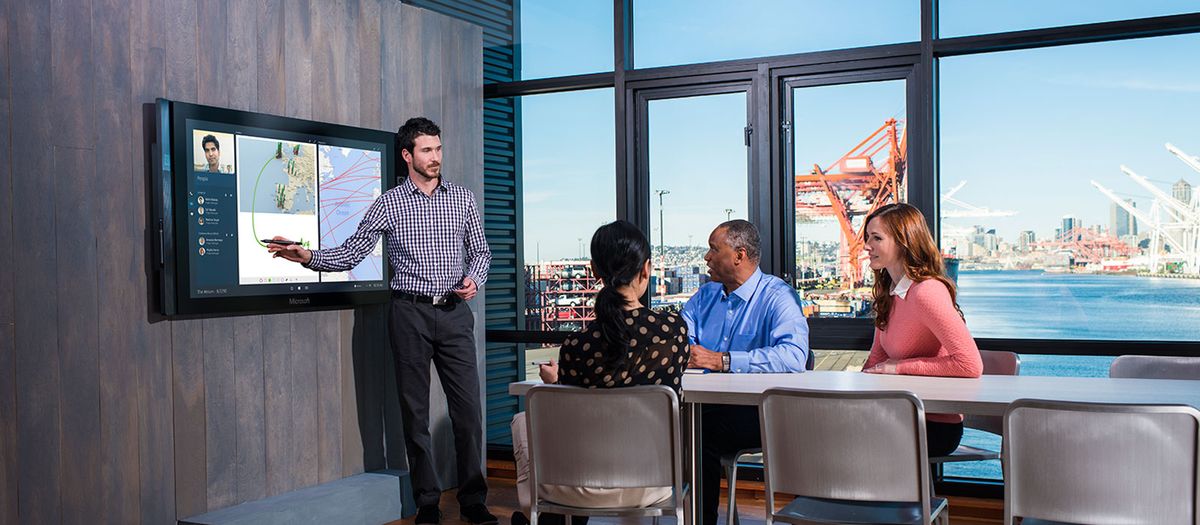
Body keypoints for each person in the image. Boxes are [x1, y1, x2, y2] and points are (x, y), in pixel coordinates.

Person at [269, 117, 495, 525]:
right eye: (427, 150)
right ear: (408, 155)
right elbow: (352, 252)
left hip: (455, 315)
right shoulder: (389, 203)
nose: (436, 157)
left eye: (439, 149)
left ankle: (473, 499)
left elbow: (481, 251)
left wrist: (473, 279)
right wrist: (308, 257)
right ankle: (427, 502)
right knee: (415, 414)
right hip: (408, 313)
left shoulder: (463, 198)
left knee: (469, 413)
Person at [510, 220, 690, 525]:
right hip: (653, 485)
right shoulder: (673, 332)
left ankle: (537, 518)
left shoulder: (577, 345)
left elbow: (578, 410)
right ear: (646, 269)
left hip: (582, 487)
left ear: (594, 271)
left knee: (525, 421)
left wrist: (556, 384)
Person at [680, 219, 809, 525]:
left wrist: (723, 360)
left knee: (699, 434)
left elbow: (794, 357)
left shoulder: (778, 297)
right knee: (677, 424)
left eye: (713, 249)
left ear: (738, 255)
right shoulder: (704, 297)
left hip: (758, 415)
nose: (706, 257)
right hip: (705, 407)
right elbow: (680, 341)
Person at [860, 203, 983, 456]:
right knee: (821, 424)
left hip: (932, 423)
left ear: (904, 242)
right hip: (896, 412)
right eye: (867, 237)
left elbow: (970, 365)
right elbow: (877, 358)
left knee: (831, 435)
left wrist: (899, 368)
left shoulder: (927, 292)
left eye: (876, 238)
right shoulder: (890, 292)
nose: (866, 246)